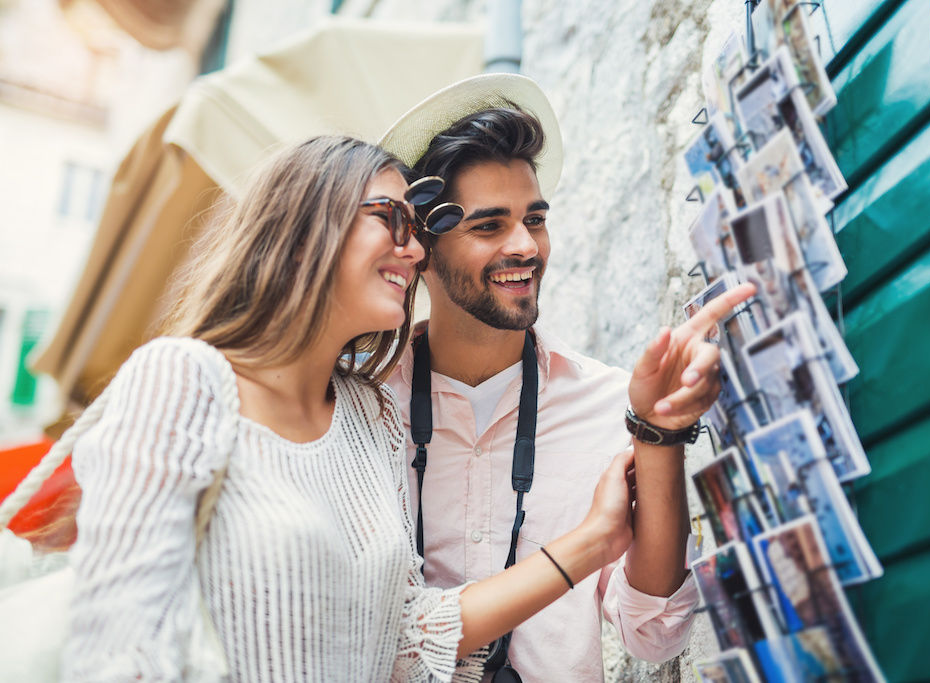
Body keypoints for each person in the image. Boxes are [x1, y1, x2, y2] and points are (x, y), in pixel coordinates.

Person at [55, 135, 645, 682]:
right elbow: (118, 650)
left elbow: (407, 639)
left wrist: (593, 539)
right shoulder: (185, 380)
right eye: (391, 218)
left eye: (416, 229)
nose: (414, 249)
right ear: (306, 228)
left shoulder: (372, 417)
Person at [379, 74, 756, 681]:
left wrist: (657, 435)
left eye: (535, 219)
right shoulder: (365, 409)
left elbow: (654, 633)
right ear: (423, 243)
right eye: (488, 226)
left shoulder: (605, 400)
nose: (525, 246)